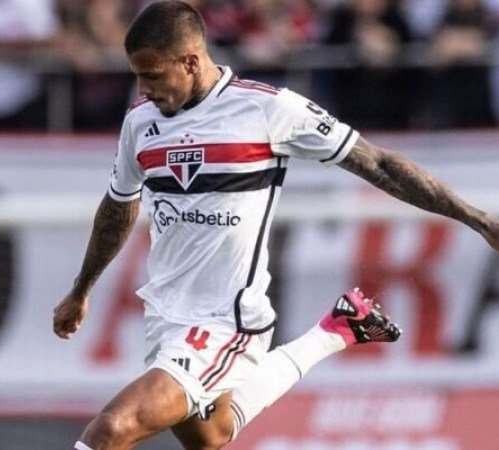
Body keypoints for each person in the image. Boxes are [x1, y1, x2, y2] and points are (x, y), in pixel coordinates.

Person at [53, 2, 499, 449]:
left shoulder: (266, 109)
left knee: (111, 429)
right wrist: (81, 289)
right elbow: (119, 205)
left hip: (225, 320)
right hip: (165, 314)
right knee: (210, 435)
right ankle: (335, 330)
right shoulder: (140, 122)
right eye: (137, 76)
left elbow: (378, 164)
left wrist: (474, 217)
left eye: (151, 76)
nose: (143, 89)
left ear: (189, 61)